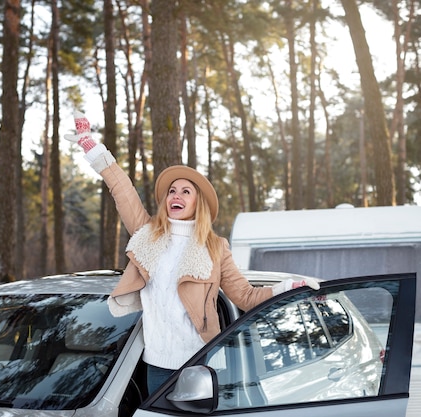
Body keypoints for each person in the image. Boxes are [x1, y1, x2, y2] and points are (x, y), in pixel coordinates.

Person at [66, 111, 319, 394]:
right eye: (173, 191)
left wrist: (290, 287)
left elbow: (246, 297)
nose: (177, 195)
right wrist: (92, 147)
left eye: (186, 191)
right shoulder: (147, 234)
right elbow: (122, 190)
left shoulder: (215, 247)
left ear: (198, 202)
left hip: (202, 362)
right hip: (157, 366)